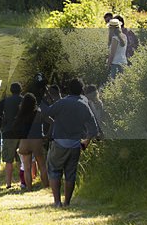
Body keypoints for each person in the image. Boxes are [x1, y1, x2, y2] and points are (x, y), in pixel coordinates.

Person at [43, 78, 99, 208]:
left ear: (68, 89)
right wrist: (87, 141)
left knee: (54, 171)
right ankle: (67, 202)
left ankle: (57, 202)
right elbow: (93, 129)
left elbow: (47, 113)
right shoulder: (84, 105)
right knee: (70, 174)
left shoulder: (61, 103)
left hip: (58, 143)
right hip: (75, 144)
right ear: (82, 90)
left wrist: (54, 120)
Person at [12, 93, 48, 192]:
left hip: (24, 141)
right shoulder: (39, 113)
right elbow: (50, 121)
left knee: (26, 167)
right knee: (42, 166)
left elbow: (14, 128)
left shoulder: (21, 114)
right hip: (36, 141)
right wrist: (46, 135)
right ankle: (46, 187)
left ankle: (29, 188)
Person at [0, 82, 23, 188]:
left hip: (8, 132)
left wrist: (3, 122)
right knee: (23, 158)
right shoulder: (24, 100)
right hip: (22, 132)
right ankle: (23, 182)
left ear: (11, 90)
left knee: (9, 160)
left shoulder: (6, 101)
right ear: (21, 90)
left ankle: (8, 183)